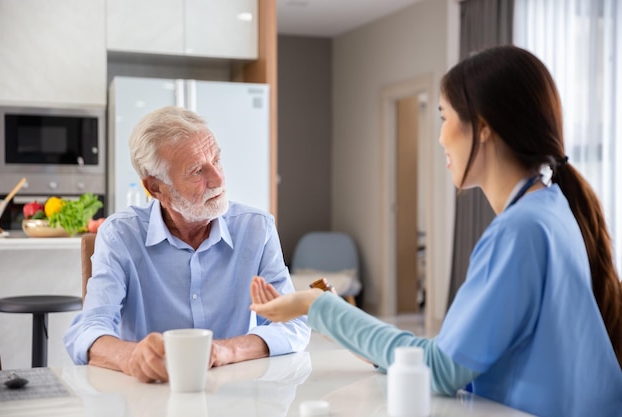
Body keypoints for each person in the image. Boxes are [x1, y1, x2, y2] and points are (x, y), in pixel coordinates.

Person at [250, 45, 622, 417]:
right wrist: (333, 315)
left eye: (444, 117)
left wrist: (317, 306)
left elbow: (441, 370)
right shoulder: (551, 208)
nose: (441, 138)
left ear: (484, 126)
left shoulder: (519, 231)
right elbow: (450, 358)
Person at [64, 106, 310, 383]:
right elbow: (89, 329)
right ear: (156, 188)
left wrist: (223, 351)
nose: (218, 179)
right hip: (147, 396)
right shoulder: (120, 235)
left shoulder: (256, 228)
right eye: (197, 171)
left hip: (230, 393)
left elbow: (292, 324)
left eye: (217, 160)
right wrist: (132, 357)